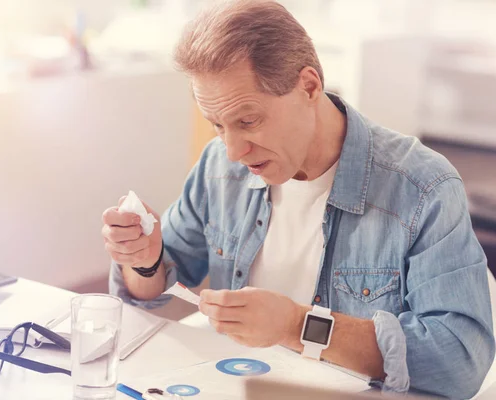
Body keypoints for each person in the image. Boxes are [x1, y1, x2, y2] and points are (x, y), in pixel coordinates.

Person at [102, 1, 494, 397]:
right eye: (217, 125)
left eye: (248, 121)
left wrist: (297, 326)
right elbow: (154, 288)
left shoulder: (422, 186)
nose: (234, 150)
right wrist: (144, 261)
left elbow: (460, 360)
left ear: (308, 86)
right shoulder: (219, 166)